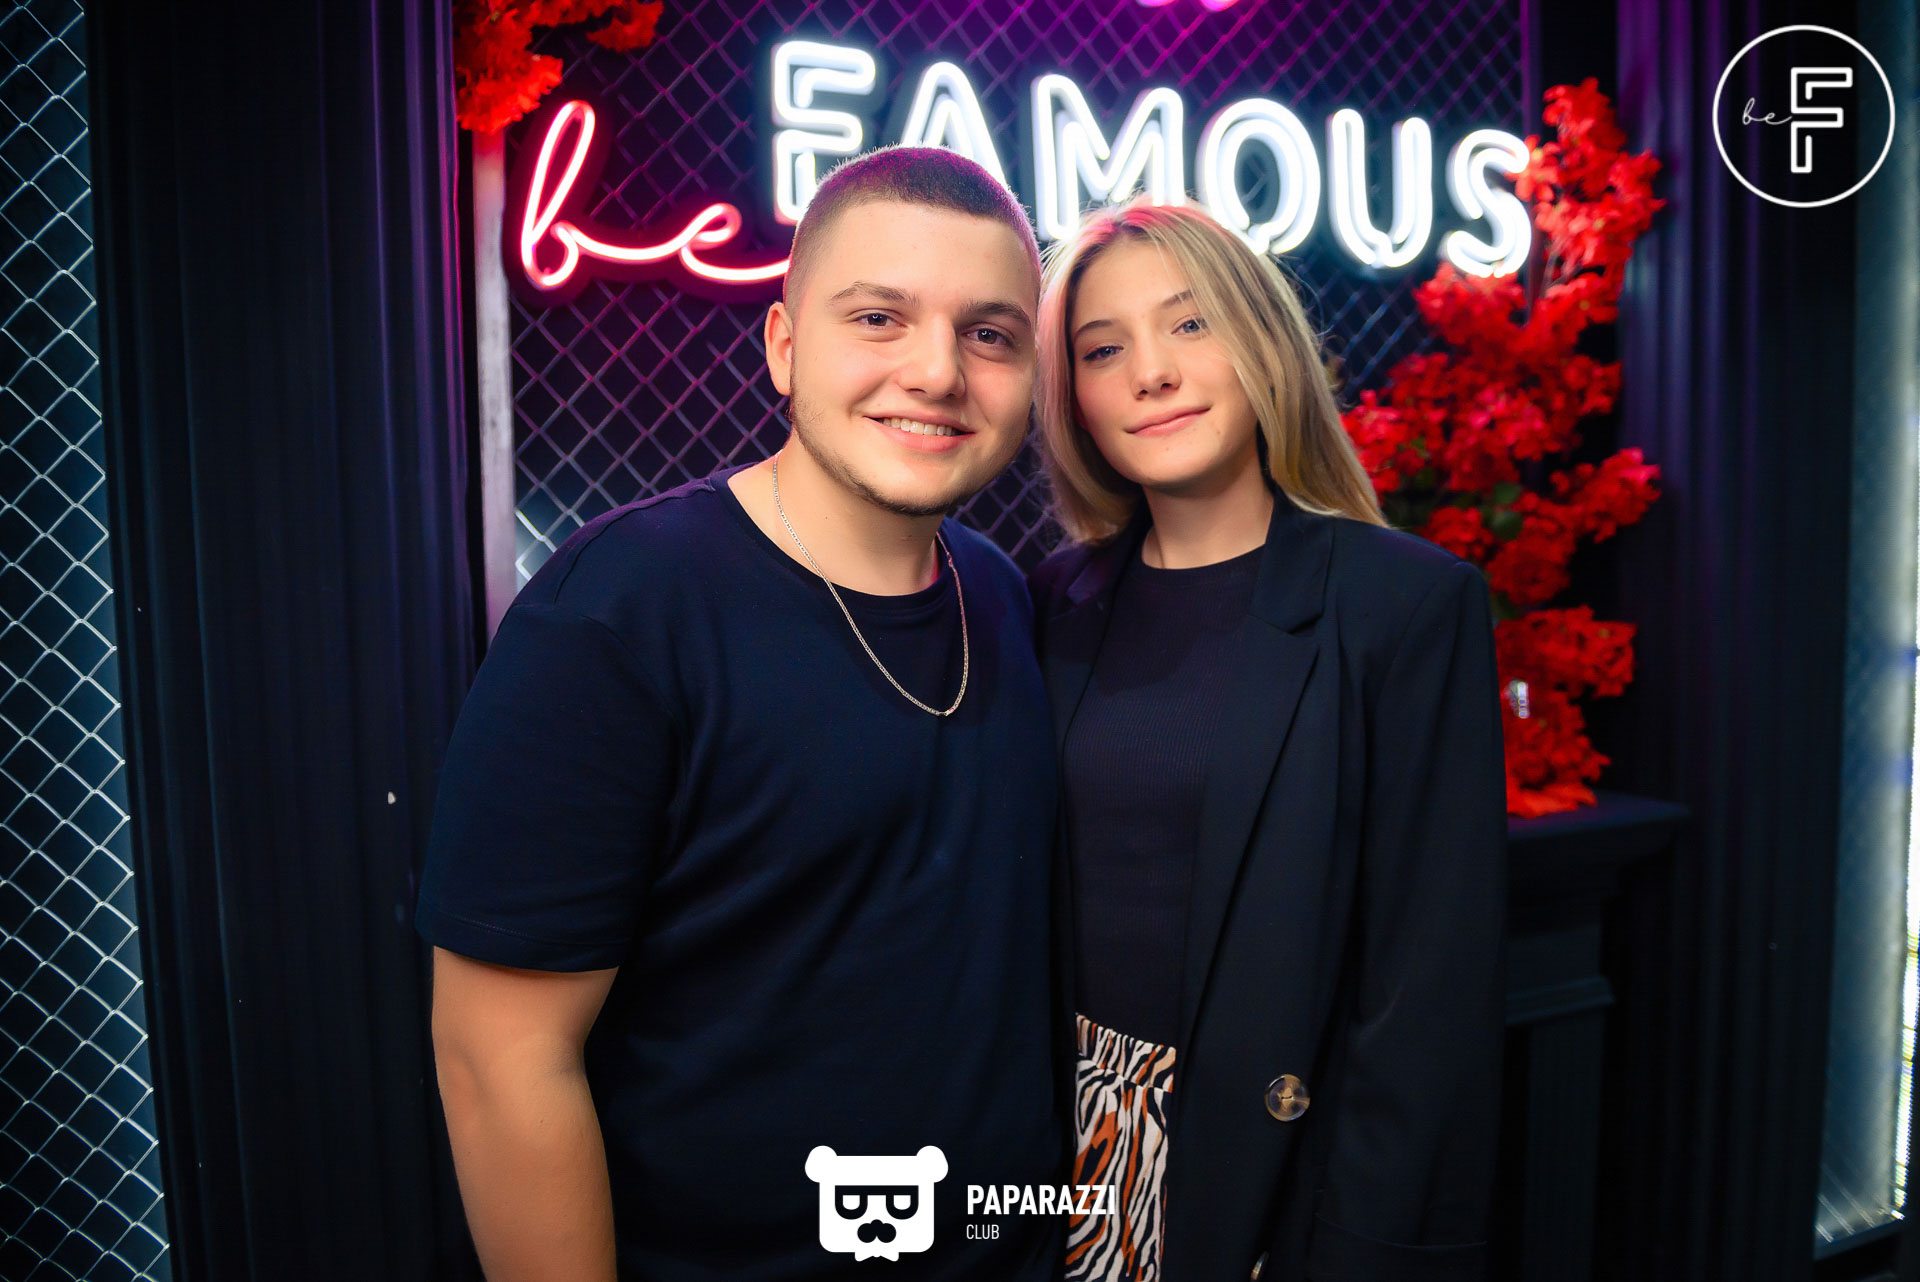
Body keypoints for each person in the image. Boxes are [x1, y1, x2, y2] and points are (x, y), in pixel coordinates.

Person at [415, 146, 1066, 1282]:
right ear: (784, 345)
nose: (937, 371)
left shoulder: (1002, 592)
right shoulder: (620, 611)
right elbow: (499, 1059)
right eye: (879, 317)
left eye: (990, 334)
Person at [1027, 197, 1508, 1282]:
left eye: (1190, 324)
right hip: (1053, 1136)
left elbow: (1428, 988)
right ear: (1075, 399)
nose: (1151, 372)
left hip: (1265, 1160)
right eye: (1103, 349)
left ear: (1263, 342)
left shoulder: (1403, 603)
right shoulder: (1051, 598)